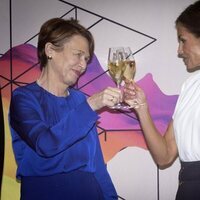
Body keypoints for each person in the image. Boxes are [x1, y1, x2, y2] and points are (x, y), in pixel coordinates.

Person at [9, 18, 120, 200]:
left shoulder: (80, 101)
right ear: (50, 51)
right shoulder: (24, 98)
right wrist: (91, 105)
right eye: (78, 55)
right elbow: (45, 144)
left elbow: (97, 165)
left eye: (86, 59)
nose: (83, 65)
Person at [124, 1, 200, 200]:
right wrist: (142, 109)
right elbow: (164, 156)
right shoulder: (189, 87)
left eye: (183, 40)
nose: (179, 51)